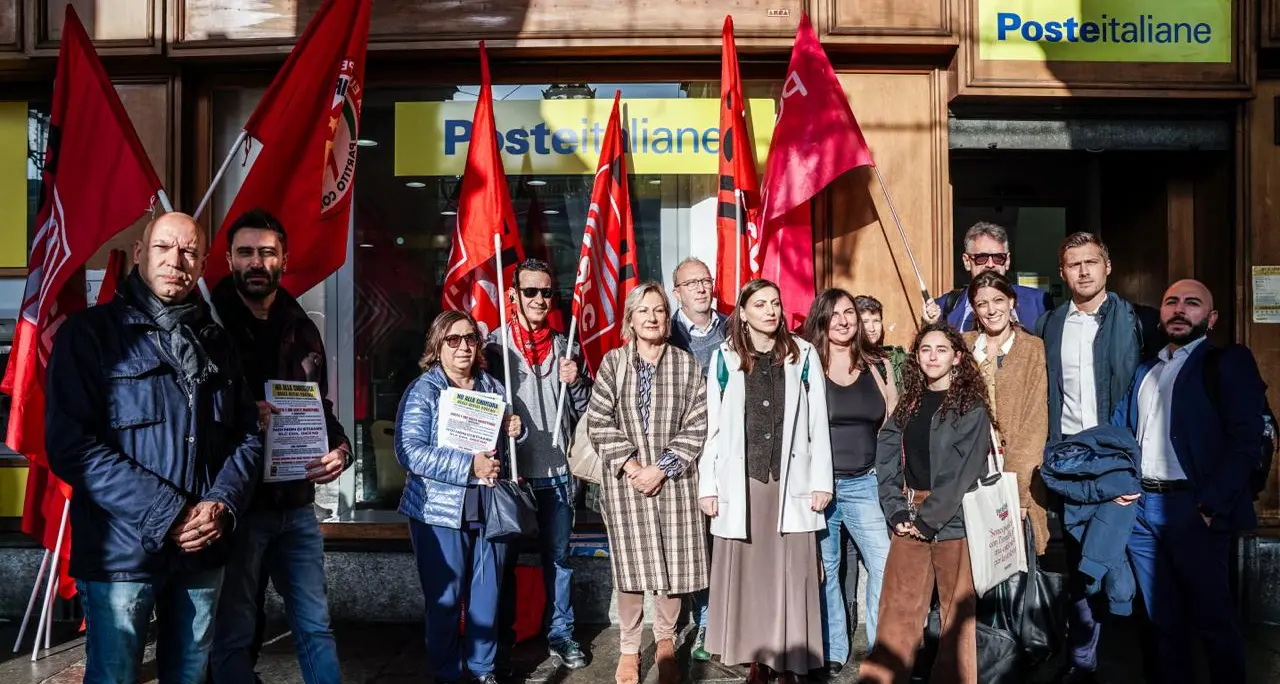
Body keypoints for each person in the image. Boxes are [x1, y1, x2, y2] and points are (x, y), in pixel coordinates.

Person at [45, 212, 263, 683]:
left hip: (201, 550)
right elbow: (71, 445)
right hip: (121, 556)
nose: (175, 261)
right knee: (114, 676)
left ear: (203, 263)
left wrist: (222, 504)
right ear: (141, 253)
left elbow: (246, 436)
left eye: (188, 251)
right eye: (164, 247)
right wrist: (169, 513)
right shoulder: (89, 336)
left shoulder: (216, 342)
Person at [208, 209, 352, 684]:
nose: (256, 262)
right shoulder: (207, 324)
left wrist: (341, 448)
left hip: (295, 504)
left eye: (267, 252)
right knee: (234, 629)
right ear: (229, 258)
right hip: (239, 505)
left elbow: (318, 406)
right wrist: (245, 414)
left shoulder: (302, 325)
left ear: (283, 259)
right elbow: (192, 416)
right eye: (246, 252)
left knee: (315, 626)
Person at [1112, 279, 1264, 684]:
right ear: (1161, 313)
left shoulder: (1227, 362)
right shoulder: (1145, 368)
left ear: (1210, 318)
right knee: (1162, 621)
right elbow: (1123, 433)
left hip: (1193, 509)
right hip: (1142, 511)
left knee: (1213, 618)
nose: (1180, 310)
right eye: (1171, 302)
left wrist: (1211, 504)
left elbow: (1245, 442)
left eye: (1192, 303)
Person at [1033, 232, 1160, 684]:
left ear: (1108, 267)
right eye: (1073, 264)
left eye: (1091, 262)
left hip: (1121, 460)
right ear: (1063, 272)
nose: (1083, 271)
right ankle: (1083, 662)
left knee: (1132, 564)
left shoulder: (1140, 321)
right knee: (1082, 564)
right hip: (1072, 462)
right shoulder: (1049, 325)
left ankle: (1154, 661)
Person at [700, 278, 832, 684]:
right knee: (749, 576)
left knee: (791, 574)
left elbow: (817, 424)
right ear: (743, 312)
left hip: (791, 482)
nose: (771, 311)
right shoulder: (725, 358)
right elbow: (714, 429)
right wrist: (709, 485)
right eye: (760, 304)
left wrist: (821, 481)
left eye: (775, 303)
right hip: (744, 484)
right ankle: (753, 658)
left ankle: (790, 662)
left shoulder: (803, 355)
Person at [585, 281, 709, 684]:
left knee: (673, 565)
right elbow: (598, 419)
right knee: (632, 569)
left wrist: (663, 466)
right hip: (626, 484)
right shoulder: (613, 362)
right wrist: (633, 465)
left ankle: (667, 642)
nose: (653, 318)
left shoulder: (685, 364)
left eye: (658, 310)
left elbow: (698, 421)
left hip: (674, 481)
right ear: (631, 320)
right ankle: (628, 649)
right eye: (644, 311)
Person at [858, 324, 995, 684]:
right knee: (898, 610)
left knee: (955, 616)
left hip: (953, 518)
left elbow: (960, 472)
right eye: (925, 350)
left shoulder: (971, 407)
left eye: (941, 350)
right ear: (916, 357)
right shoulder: (911, 403)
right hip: (909, 513)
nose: (933, 356)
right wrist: (896, 509)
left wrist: (928, 520)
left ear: (957, 358)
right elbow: (886, 456)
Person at [395, 311, 524, 684]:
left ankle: (483, 672)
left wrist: (517, 430)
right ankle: (448, 674)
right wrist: (469, 466)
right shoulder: (425, 390)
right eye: (453, 340)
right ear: (437, 347)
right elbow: (410, 451)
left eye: (470, 338)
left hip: (489, 505)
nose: (464, 346)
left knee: (487, 597)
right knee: (446, 601)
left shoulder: (493, 388)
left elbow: (505, 453)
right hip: (438, 510)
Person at [485, 258, 590, 671]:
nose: (540, 299)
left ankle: (561, 633)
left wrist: (577, 381)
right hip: (511, 476)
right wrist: (498, 426)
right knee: (504, 560)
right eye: (531, 291)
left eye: (546, 292)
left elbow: (585, 414)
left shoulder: (568, 346)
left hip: (557, 473)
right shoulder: (493, 347)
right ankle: (503, 637)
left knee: (559, 558)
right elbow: (477, 406)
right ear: (513, 296)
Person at [801, 289, 896, 673]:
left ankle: (879, 647)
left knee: (884, 563)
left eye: (849, 313)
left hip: (866, 483)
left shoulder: (879, 365)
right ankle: (834, 648)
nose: (843, 320)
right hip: (819, 488)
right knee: (825, 568)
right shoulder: (805, 364)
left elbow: (892, 425)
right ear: (821, 320)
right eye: (834, 313)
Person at [961, 271, 1050, 555]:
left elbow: (1034, 424)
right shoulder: (962, 347)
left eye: (998, 300)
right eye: (982, 303)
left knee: (1015, 554)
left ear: (1011, 302)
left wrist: (1019, 490)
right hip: (971, 467)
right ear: (974, 309)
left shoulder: (1032, 348)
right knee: (974, 555)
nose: (991, 309)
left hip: (1014, 468)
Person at [665, 256, 727, 661]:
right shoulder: (663, 332)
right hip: (681, 457)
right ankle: (696, 623)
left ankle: (720, 622)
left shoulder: (734, 328)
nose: (702, 288)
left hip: (725, 454)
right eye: (692, 283)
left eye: (706, 281)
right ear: (678, 292)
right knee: (693, 547)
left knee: (723, 542)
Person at [923, 221, 1053, 331]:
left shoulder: (1039, 303)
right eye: (981, 258)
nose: (990, 264)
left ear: (1007, 261)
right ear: (967, 262)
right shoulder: (945, 307)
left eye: (998, 258)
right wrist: (931, 326)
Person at [854, 294, 906, 389]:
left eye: (876, 321)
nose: (872, 328)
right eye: (865, 322)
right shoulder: (849, 358)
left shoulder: (893, 357)